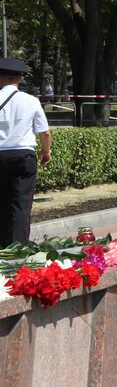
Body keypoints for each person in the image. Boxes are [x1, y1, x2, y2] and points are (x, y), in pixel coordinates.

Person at [0, 58, 51, 248]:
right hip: (24, 156)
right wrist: (46, 152)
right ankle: (17, 250)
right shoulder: (31, 101)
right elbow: (44, 132)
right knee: (20, 204)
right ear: (20, 79)